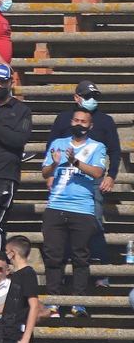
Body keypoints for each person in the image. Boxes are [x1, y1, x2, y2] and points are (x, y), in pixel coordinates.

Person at [51, 81, 120, 287]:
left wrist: (111, 176)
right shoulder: (64, 119)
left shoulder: (105, 121)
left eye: (95, 97)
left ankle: (100, 272)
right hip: (64, 181)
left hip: (92, 182)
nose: (92, 101)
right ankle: (62, 272)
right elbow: (51, 148)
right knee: (62, 228)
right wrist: (50, 175)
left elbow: (115, 151)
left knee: (95, 225)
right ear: (76, 97)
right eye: (87, 96)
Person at [41, 106, 107, 306]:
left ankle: (78, 301)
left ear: (90, 125)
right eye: (76, 121)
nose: (79, 124)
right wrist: (55, 164)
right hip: (56, 207)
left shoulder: (97, 147)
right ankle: (53, 301)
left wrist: (75, 162)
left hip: (82, 209)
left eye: (83, 122)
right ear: (71, 122)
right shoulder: (58, 143)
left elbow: (97, 173)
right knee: (53, 256)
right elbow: (45, 172)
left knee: (80, 257)